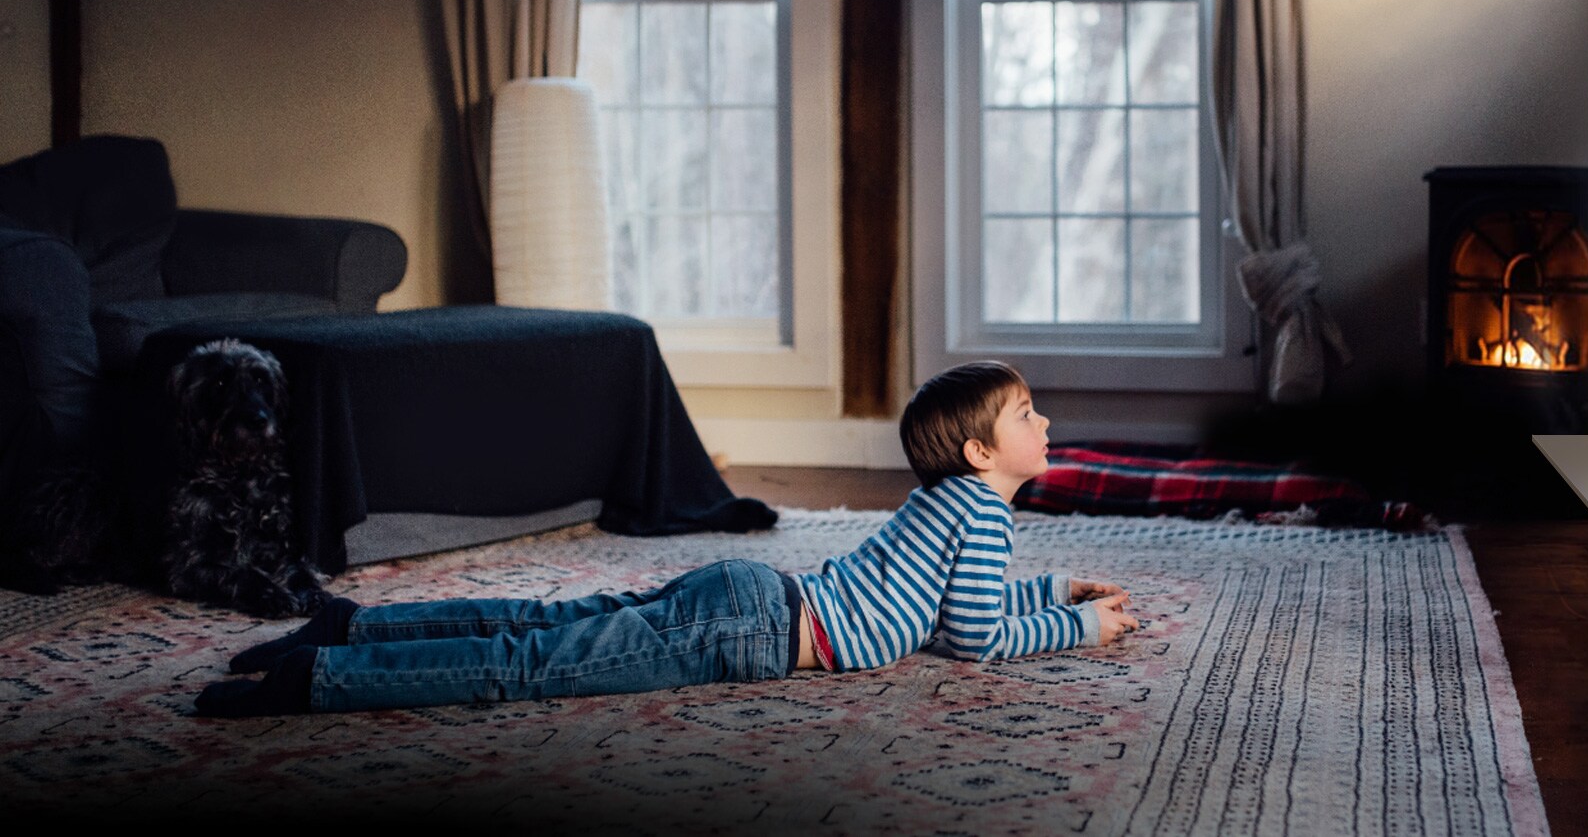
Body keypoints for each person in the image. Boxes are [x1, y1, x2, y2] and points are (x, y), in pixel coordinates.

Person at [195, 360, 1138, 717]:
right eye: (1027, 412)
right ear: (981, 450)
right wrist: (1077, 633)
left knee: (544, 618)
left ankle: (347, 627)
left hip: (748, 596)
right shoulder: (980, 508)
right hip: (754, 633)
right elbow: (972, 632)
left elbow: (950, 605)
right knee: (528, 664)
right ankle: (315, 679)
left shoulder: (952, 502)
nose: (1045, 421)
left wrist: (1053, 592)